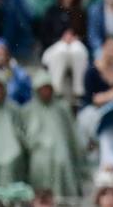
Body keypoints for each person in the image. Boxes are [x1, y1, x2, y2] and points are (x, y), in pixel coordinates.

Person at [20, 71, 82, 199]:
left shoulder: (62, 108)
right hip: (37, 151)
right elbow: (24, 135)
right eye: (42, 89)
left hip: (60, 148)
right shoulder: (27, 110)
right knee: (41, 163)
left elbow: (71, 134)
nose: (45, 92)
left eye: (48, 88)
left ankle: (64, 196)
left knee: (61, 160)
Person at [38, 0, 89, 100]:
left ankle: (79, 90)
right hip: (54, 50)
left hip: (74, 49)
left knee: (77, 49)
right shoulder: (51, 11)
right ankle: (56, 89)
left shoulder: (81, 12)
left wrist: (76, 38)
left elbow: (86, 37)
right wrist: (60, 40)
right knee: (62, 49)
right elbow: (44, 37)